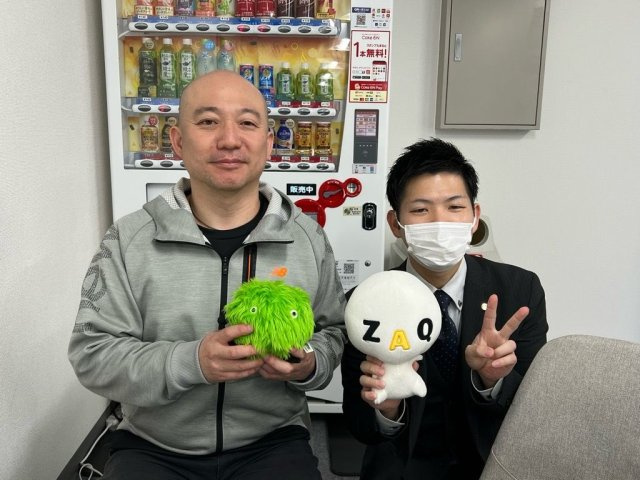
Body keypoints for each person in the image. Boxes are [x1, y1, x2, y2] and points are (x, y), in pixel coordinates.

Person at [68, 70, 346, 480]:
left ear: (269, 142)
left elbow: (333, 332)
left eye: (247, 123)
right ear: (178, 141)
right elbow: (92, 354)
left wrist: (309, 365)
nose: (230, 139)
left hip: (272, 440)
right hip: (153, 445)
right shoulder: (129, 238)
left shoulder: (307, 237)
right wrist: (190, 362)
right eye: (208, 121)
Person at [341, 138, 548, 479]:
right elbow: (360, 426)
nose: (440, 222)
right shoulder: (364, 303)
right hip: (402, 468)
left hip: (493, 465)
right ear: (395, 223)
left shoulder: (519, 290)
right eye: (421, 210)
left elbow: (532, 411)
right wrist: (387, 408)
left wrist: (491, 380)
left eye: (454, 207)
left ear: (475, 217)